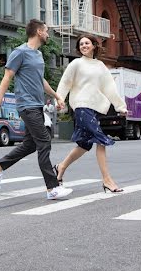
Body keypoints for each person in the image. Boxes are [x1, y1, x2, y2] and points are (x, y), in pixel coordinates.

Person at [0, 19, 71, 200]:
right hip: (26, 105)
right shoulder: (20, 52)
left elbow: (41, 81)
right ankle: (52, 188)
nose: (48, 34)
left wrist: (57, 96)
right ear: (39, 32)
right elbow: (7, 77)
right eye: (47, 31)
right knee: (44, 142)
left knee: (31, 144)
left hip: (37, 105)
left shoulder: (38, 55)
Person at [54, 35, 128, 193]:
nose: (83, 46)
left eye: (87, 43)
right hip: (81, 106)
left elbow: (109, 87)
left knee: (84, 144)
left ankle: (60, 167)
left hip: (93, 109)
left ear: (94, 45)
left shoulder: (100, 66)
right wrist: (59, 101)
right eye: (81, 44)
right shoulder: (76, 64)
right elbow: (65, 82)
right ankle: (107, 180)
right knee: (101, 139)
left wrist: (120, 106)